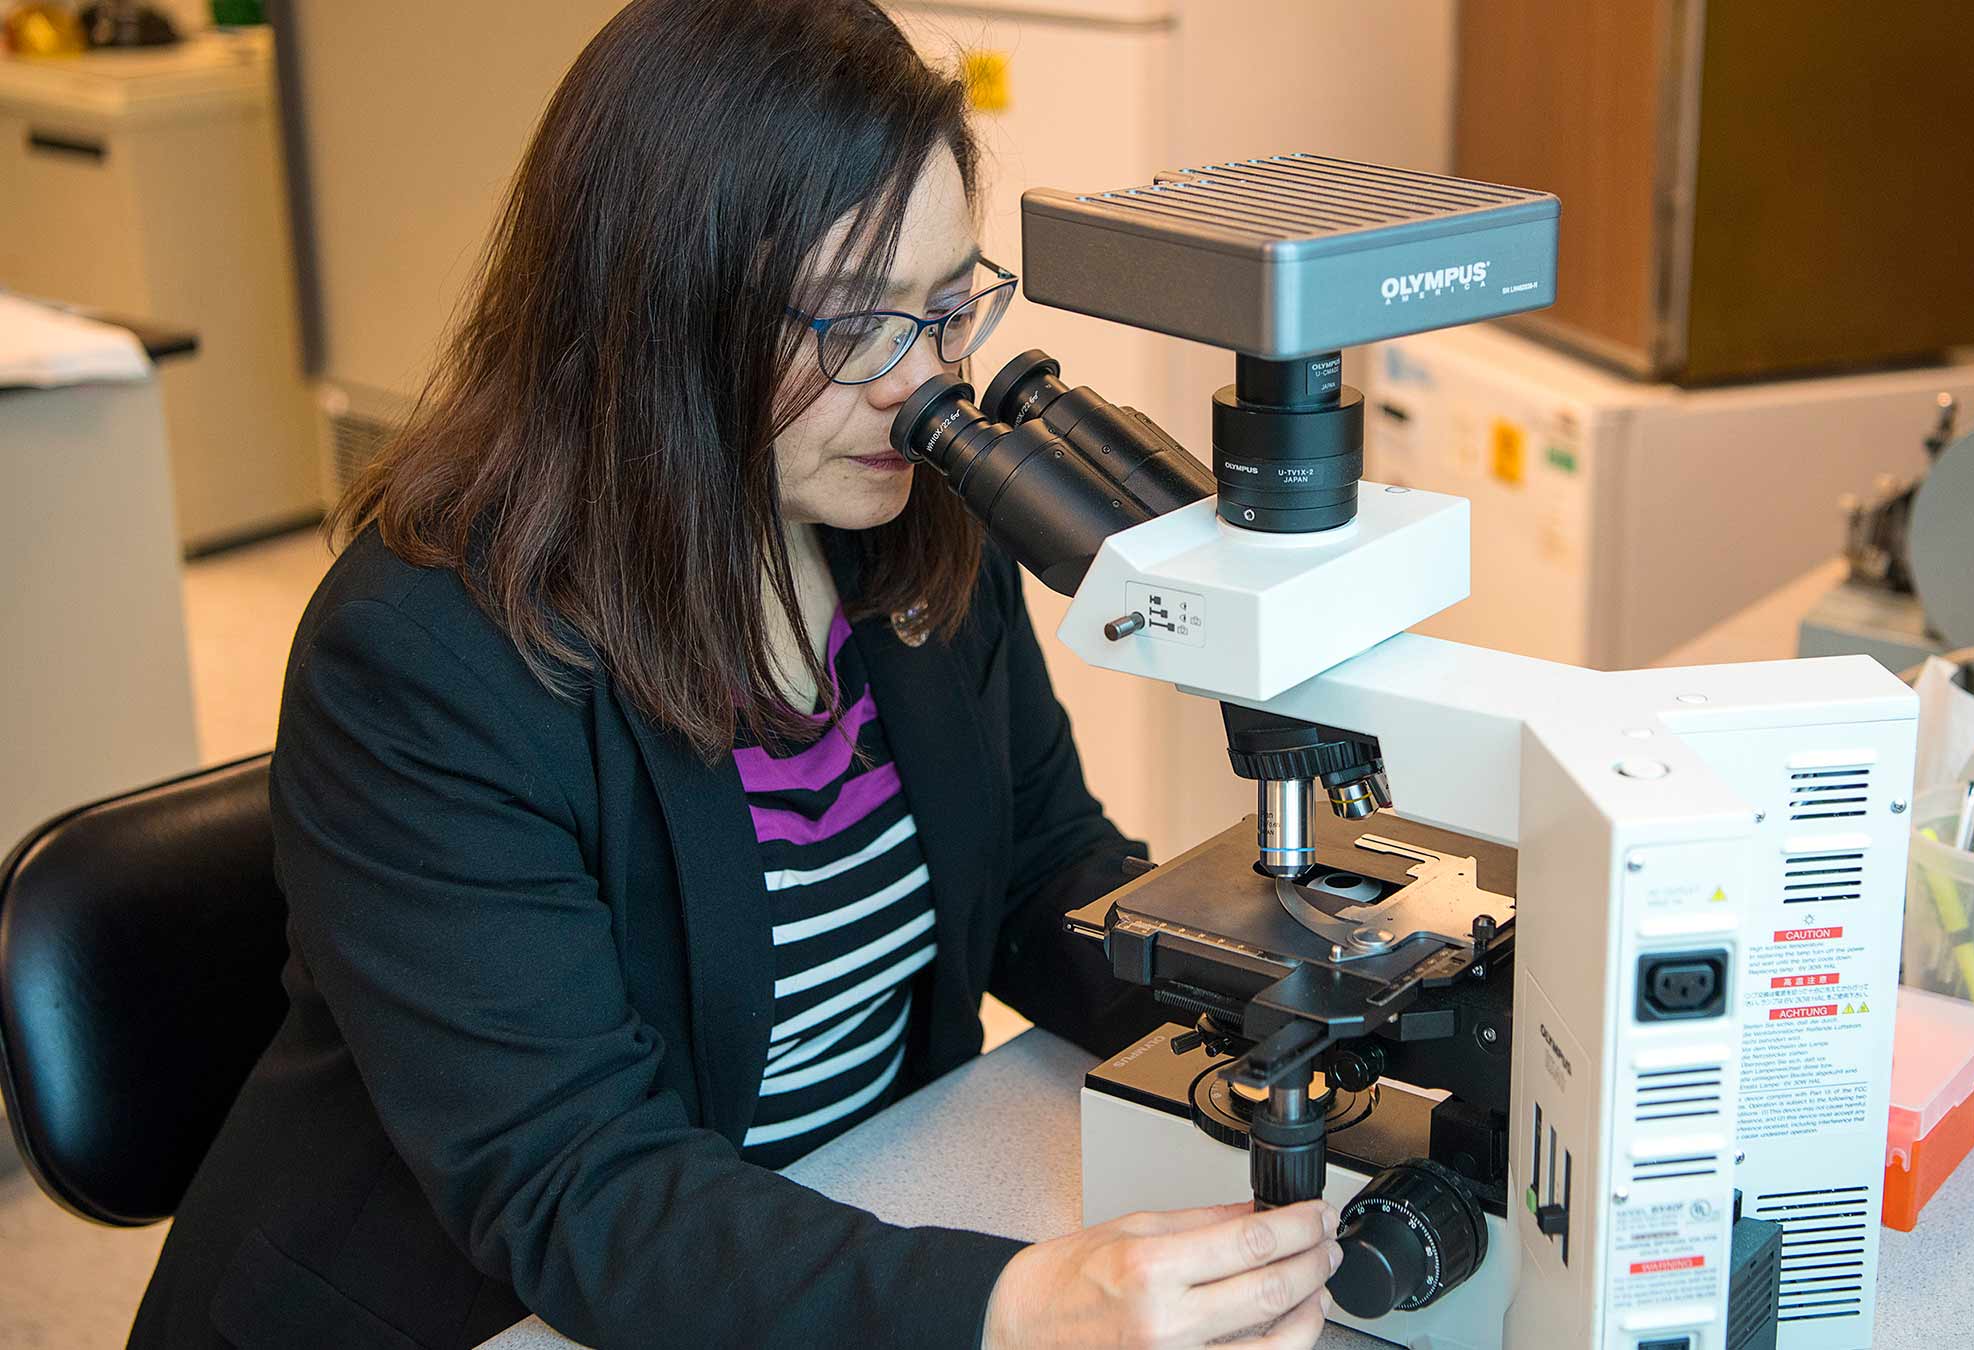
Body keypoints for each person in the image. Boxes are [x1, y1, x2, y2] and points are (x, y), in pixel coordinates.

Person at [129, 3, 1340, 1346]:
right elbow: (580, 1182)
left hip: (822, 1227)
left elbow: (1044, 875)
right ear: (661, 320)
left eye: (948, 308)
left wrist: (1309, 1011)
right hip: (481, 1311)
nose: (922, 383)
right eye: (852, 327)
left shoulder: (914, 533)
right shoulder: (424, 659)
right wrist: (1011, 1303)